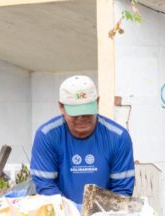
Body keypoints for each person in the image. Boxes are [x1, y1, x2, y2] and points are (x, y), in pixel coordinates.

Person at [30, 75, 135, 206]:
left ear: (97, 102)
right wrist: (73, 212)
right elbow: (45, 186)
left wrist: (96, 215)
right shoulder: (46, 136)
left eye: (86, 112)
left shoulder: (118, 137)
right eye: (75, 113)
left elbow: (122, 191)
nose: (81, 118)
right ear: (61, 107)